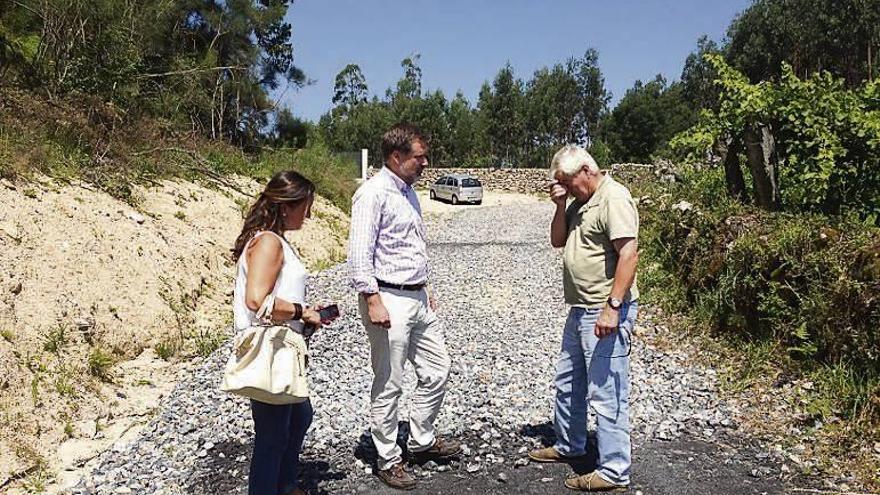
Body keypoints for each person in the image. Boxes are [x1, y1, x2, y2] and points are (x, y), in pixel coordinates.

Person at [347, 123, 460, 490]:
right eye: (419, 156)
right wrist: (372, 299)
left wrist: (423, 287)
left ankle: (422, 440)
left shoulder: (408, 192)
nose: (426, 163)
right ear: (396, 157)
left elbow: (409, 245)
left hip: (416, 295)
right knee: (390, 381)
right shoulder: (373, 194)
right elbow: (359, 254)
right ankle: (387, 457)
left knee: (438, 367)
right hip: (387, 298)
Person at [528, 145, 639, 492]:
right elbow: (557, 240)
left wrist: (613, 307)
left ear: (587, 171)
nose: (566, 187)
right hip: (580, 309)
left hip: (604, 310)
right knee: (568, 381)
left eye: (568, 182)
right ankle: (569, 444)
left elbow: (629, 255)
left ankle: (614, 471)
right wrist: (560, 205)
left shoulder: (614, 198)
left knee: (606, 391)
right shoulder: (579, 201)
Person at [231, 170, 337, 495]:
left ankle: (286, 484)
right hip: (271, 350)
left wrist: (306, 313)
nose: (309, 213)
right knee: (273, 437)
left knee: (298, 418)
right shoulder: (268, 242)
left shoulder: (275, 241)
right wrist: (301, 311)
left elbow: (273, 295)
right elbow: (256, 299)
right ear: (285, 205)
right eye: (306, 205)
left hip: (284, 347)